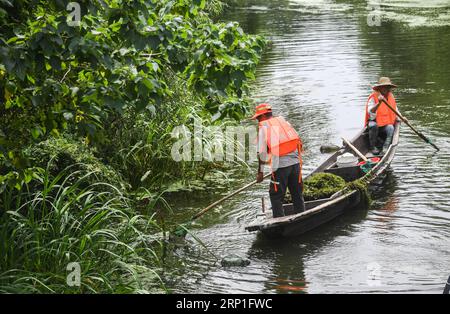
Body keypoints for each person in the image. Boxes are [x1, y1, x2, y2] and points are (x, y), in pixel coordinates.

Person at [252, 103, 305, 218]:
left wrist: (260, 173)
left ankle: (279, 221)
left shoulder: (264, 128)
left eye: (258, 118)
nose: (257, 121)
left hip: (281, 167)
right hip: (296, 164)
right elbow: (298, 143)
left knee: (275, 196)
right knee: (297, 194)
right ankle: (302, 217)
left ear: (263, 116)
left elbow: (261, 153)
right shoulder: (285, 123)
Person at [364, 77, 400, 155]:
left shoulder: (390, 96)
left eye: (387, 87)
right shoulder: (373, 97)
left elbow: (395, 110)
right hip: (375, 123)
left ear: (389, 88)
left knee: (391, 128)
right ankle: (372, 147)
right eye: (383, 87)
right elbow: (371, 114)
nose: (385, 89)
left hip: (385, 124)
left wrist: (402, 117)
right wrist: (379, 103)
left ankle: (385, 148)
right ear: (380, 88)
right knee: (373, 125)